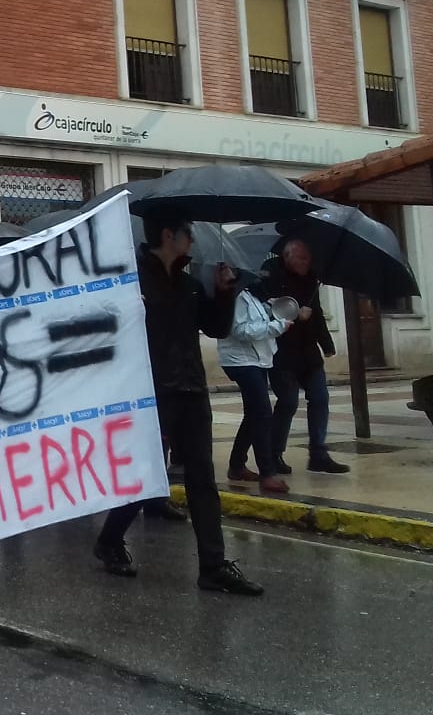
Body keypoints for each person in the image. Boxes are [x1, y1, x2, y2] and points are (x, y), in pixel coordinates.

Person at [93, 213, 263, 596]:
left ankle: (213, 566)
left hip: (190, 389)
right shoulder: (129, 280)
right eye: (189, 234)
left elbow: (216, 328)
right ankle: (109, 539)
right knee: (144, 474)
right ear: (169, 235)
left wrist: (224, 292)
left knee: (202, 478)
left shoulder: (189, 284)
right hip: (148, 392)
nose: (193, 241)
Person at [264, 240, 348, 475]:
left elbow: (317, 311)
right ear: (288, 256)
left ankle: (318, 453)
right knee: (288, 402)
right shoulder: (271, 273)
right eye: (301, 259)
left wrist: (327, 343)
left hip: (309, 352)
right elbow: (268, 308)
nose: (305, 263)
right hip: (282, 353)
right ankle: (274, 453)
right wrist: (295, 313)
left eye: (308, 259)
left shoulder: (311, 278)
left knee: (320, 398)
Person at [219, 287, 295, 494]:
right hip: (241, 361)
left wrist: (268, 309)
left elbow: (253, 322)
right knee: (262, 414)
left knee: (253, 414)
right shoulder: (236, 297)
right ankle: (267, 473)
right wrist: (276, 327)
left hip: (256, 360)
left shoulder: (248, 295)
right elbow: (241, 330)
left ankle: (237, 465)